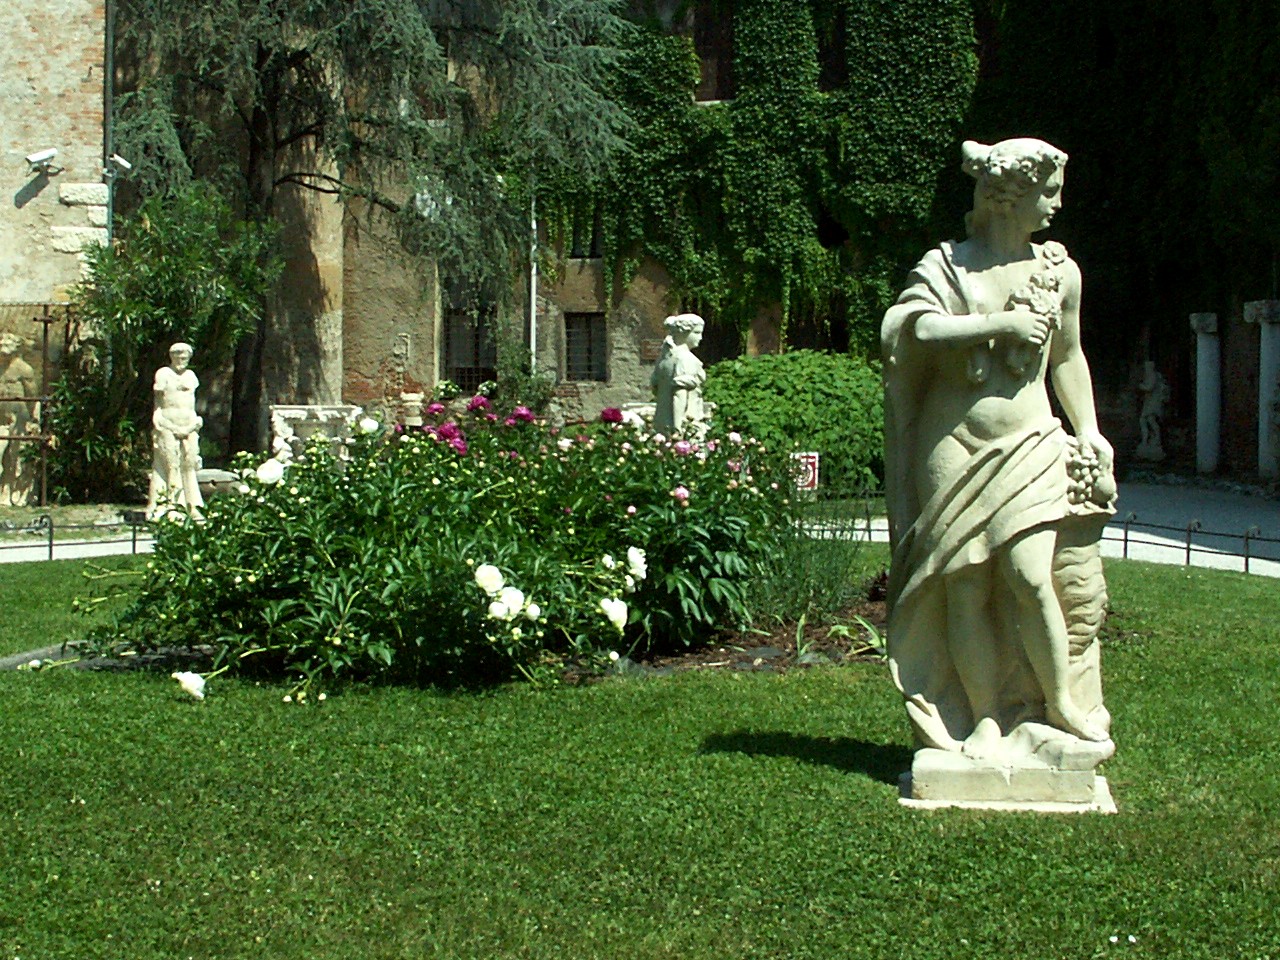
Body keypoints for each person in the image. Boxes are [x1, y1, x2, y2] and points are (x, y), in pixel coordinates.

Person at [881, 138, 1116, 759]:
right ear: (1010, 198)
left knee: (1030, 577)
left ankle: (1059, 702)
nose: (1058, 204)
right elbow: (919, 328)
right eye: (1050, 191)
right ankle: (983, 717)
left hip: (1030, 439)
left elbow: (1068, 357)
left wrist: (1089, 430)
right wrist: (1001, 325)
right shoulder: (947, 265)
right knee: (963, 586)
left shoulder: (1059, 271)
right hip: (951, 443)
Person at [146, 342, 205, 518]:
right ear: (171, 357)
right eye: (178, 356)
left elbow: (191, 402)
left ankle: (193, 505)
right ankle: (170, 505)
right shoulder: (164, 374)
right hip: (168, 424)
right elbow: (157, 403)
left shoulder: (191, 376)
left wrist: (193, 423)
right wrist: (159, 422)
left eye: (185, 357)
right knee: (170, 466)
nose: (181, 360)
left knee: (190, 464)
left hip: (189, 425)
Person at [651, 313, 707, 436]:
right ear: (684, 333)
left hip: (661, 422)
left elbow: (655, 389)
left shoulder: (664, 358)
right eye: (697, 333)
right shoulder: (686, 359)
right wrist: (678, 428)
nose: (701, 337)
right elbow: (679, 395)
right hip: (685, 424)